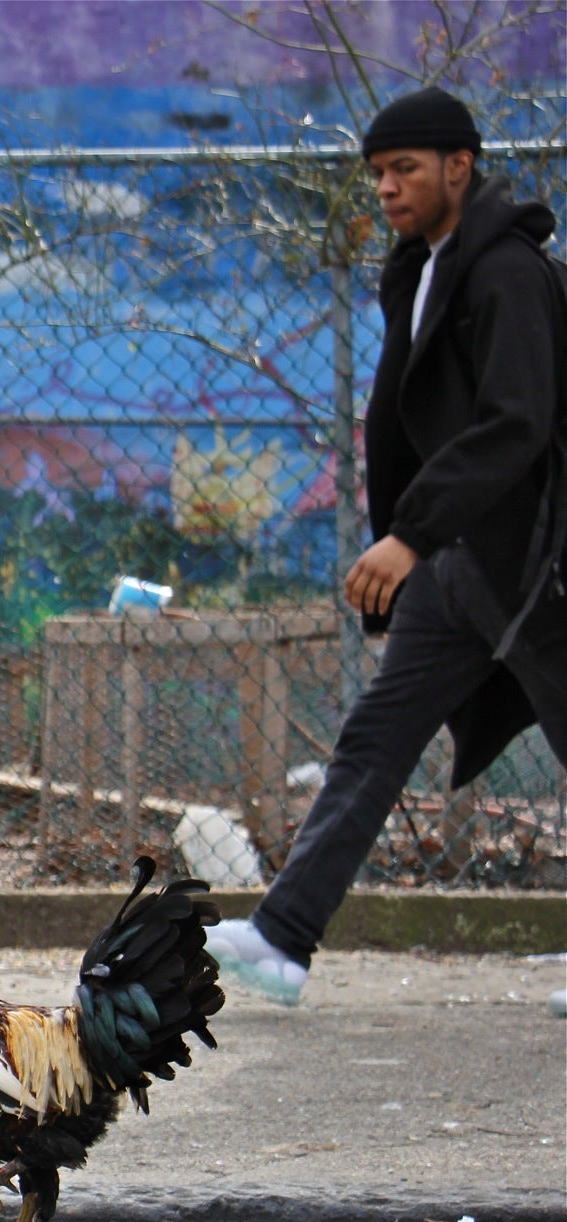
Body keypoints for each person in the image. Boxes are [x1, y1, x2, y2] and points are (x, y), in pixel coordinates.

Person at [207, 87, 567, 1004]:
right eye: (377, 174)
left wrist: (408, 535)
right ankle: (283, 940)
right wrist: (412, 541)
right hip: (459, 562)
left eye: (405, 169)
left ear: (461, 166)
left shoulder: (508, 273)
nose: (388, 189)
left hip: (532, 560)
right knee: (374, 738)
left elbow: (516, 422)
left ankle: (285, 936)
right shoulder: (424, 268)